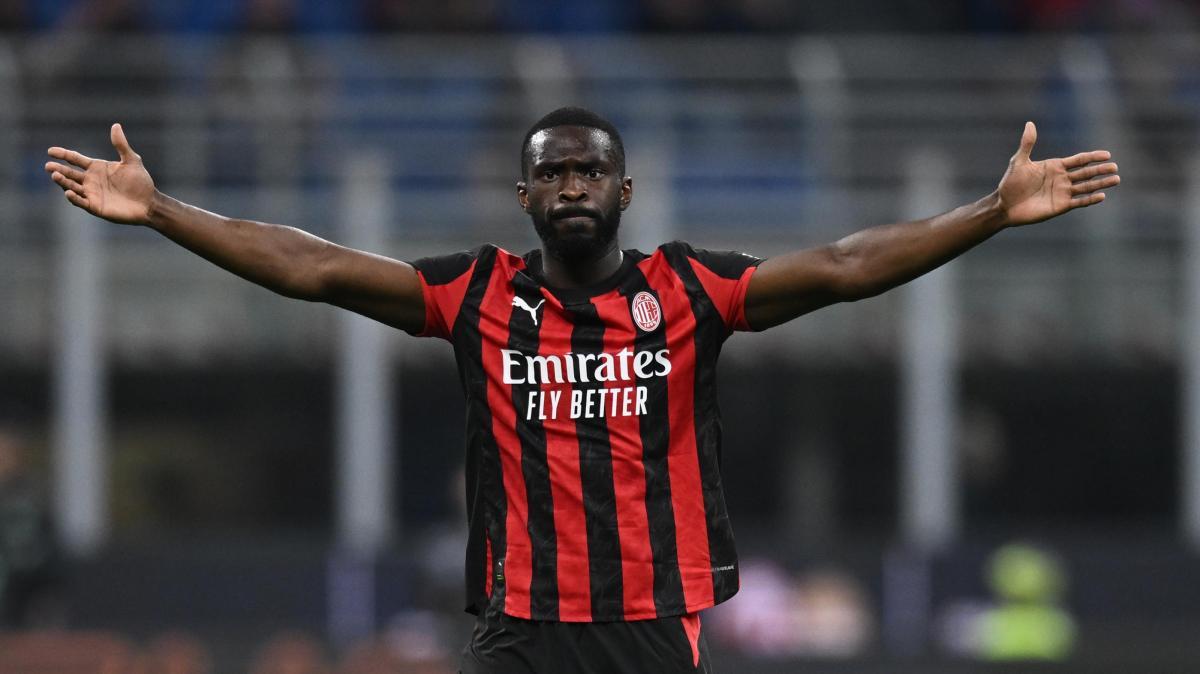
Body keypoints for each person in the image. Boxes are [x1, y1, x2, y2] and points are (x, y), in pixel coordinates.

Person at [44, 106, 1118, 673]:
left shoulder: (688, 290)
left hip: (648, 627)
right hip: (518, 627)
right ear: (523, 194)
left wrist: (989, 212)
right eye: (552, 172)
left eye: (589, 169)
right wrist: (164, 210)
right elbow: (312, 266)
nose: (571, 185)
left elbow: (843, 267)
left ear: (624, 189)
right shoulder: (475, 294)